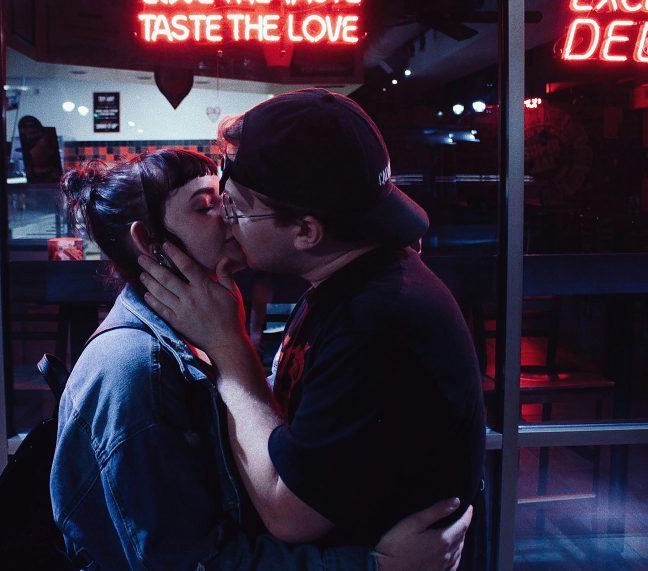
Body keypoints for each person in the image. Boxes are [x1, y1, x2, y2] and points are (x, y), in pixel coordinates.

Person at [52, 148, 472, 570]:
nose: (229, 216)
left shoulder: (198, 326)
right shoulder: (133, 365)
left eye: (226, 199)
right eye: (207, 206)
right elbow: (188, 561)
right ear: (148, 241)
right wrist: (373, 566)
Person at [138, 90, 486, 562]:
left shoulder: (379, 321)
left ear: (306, 231)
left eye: (236, 206)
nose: (226, 220)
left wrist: (227, 345)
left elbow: (289, 512)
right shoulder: (353, 279)